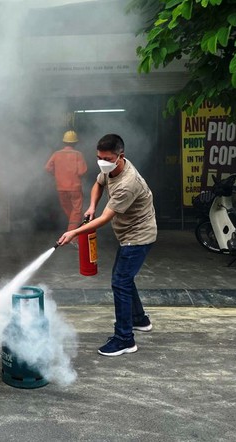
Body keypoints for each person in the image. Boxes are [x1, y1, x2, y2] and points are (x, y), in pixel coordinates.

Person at [57, 134, 157, 357]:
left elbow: (103, 219)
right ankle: (140, 320)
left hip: (139, 235)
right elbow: (98, 184)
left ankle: (125, 339)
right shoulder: (109, 168)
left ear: (120, 157)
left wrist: (73, 231)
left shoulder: (127, 184)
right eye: (99, 157)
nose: (102, 161)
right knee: (124, 278)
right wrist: (92, 205)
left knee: (120, 282)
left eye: (107, 158)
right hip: (128, 233)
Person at [45, 130, 88, 230]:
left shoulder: (56, 154)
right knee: (76, 211)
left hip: (60, 188)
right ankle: (73, 235)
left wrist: (57, 174)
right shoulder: (78, 154)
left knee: (70, 211)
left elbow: (47, 168)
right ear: (75, 142)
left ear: (63, 142)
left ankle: (74, 229)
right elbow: (82, 171)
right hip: (75, 188)